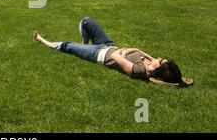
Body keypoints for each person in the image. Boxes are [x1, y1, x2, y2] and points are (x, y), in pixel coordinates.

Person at [33, 17, 193, 88]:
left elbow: (117, 57)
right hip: (109, 46)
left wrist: (123, 53)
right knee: (87, 21)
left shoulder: (139, 71)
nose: (158, 58)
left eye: (161, 61)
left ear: (157, 72)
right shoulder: (151, 63)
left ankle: (43, 40)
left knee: (68, 46)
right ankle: (83, 46)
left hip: (99, 54)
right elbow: (137, 50)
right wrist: (127, 51)